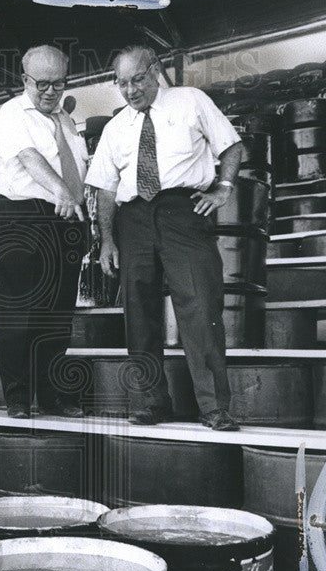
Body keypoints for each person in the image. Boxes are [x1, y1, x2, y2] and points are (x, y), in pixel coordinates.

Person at [86, 44, 244, 431]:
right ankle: (151, 402)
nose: (130, 90)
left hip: (183, 212)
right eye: (121, 83)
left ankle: (213, 408)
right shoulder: (116, 126)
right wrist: (107, 240)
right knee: (139, 315)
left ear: (155, 70)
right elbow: (105, 189)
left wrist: (223, 187)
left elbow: (233, 145)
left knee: (200, 309)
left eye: (137, 79)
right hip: (133, 218)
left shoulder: (191, 100)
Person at [0, 44, 88, 419]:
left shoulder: (66, 121)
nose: (50, 92)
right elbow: (30, 158)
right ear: (24, 80)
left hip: (65, 220)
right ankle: (17, 398)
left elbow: (76, 169)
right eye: (42, 84)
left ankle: (52, 396)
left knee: (57, 314)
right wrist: (60, 191)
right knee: (18, 312)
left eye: (59, 83)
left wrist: (79, 215)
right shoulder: (12, 112)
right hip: (21, 216)